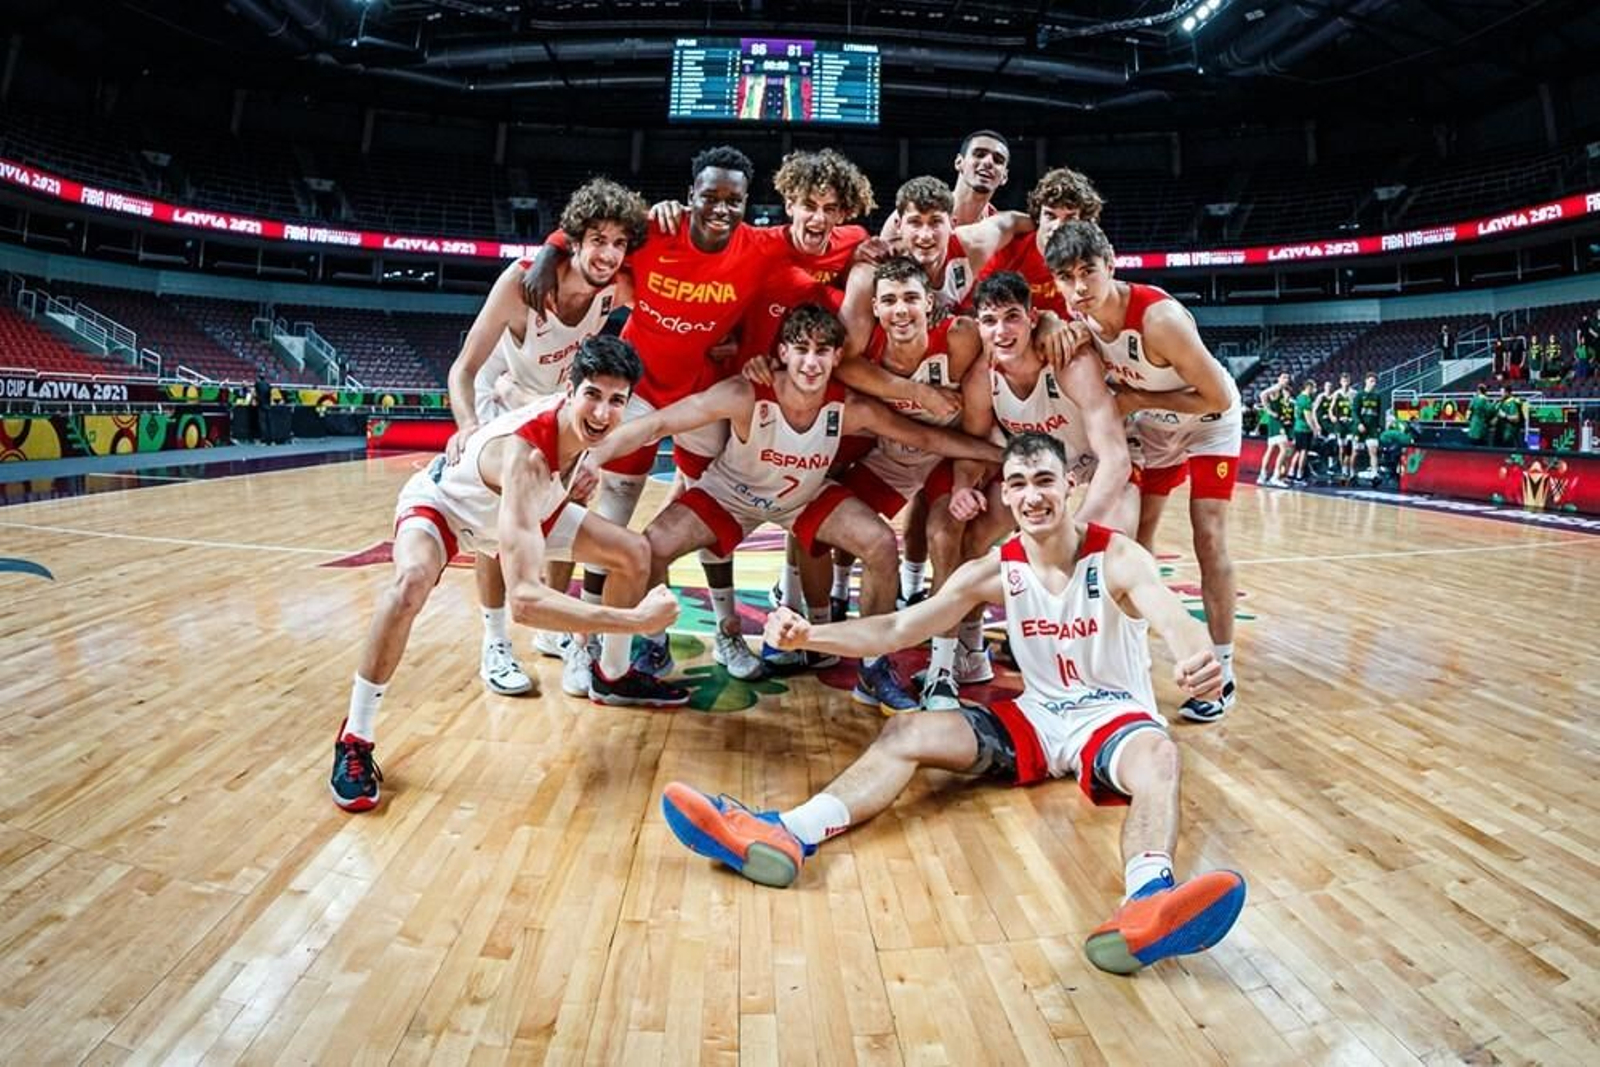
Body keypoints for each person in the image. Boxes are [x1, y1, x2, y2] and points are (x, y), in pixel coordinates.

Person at [660, 433, 1246, 977]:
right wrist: (811, 636)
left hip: (1114, 718)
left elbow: (1173, 618)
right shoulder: (992, 569)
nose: (1032, 496)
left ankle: (1148, 898)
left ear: (1070, 485)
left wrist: (1197, 658)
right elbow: (897, 628)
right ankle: (788, 832)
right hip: (1037, 720)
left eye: (1045, 481)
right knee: (906, 732)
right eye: (1018, 484)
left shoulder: (1117, 557)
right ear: (1005, 494)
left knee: (1160, 757)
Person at [578, 304, 1001, 712]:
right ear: (783, 352)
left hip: (801, 499)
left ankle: (874, 668)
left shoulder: (849, 407)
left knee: (879, 544)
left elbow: (927, 438)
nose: (811, 363)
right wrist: (592, 458)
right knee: (648, 549)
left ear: (837, 357)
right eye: (801, 349)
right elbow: (657, 424)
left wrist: (1001, 455)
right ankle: (653, 645)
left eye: (822, 351)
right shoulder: (745, 394)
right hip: (731, 496)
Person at [331, 337, 688, 813]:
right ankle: (355, 736)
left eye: (616, 400)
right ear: (570, 391)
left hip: (522, 510)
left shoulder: (581, 429)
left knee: (634, 553)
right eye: (593, 395)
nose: (603, 413)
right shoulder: (527, 460)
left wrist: (510, 395)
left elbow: (524, 399)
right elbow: (525, 601)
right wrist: (635, 621)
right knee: (410, 584)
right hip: (449, 507)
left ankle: (612, 675)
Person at [442, 178, 648, 697]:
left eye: (618, 243)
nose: (608, 254)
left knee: (569, 506)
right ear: (573, 240)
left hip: (558, 402)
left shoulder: (616, 287)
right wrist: (467, 425)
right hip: (499, 395)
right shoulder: (521, 284)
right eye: (596, 240)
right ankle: (494, 641)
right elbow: (463, 368)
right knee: (496, 525)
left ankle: (557, 629)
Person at [1042, 220, 1242, 723]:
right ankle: (1131, 656)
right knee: (1135, 540)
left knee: (1208, 536)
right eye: (1067, 277)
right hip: (1152, 425)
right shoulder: (1079, 319)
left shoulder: (1159, 319)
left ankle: (1221, 670)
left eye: (1088, 272)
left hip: (1208, 423)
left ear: (1111, 265)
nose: (1079, 287)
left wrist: (1136, 399)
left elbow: (1217, 396)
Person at [921, 270, 1136, 709]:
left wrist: (1074, 531)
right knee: (974, 535)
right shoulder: (983, 378)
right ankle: (970, 649)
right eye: (989, 321)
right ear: (978, 326)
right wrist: (962, 487)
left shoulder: (1069, 362)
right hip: (1037, 472)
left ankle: (1111, 672)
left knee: (1108, 557)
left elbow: (1116, 460)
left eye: (1012, 317)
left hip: (1100, 466)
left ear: (1032, 318)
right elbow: (973, 448)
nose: (1001, 331)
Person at [977, 167, 1106, 315]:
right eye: (1050, 216)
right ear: (1038, 216)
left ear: (1083, 223)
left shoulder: (1092, 256)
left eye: (1070, 218)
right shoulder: (1006, 250)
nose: (1057, 227)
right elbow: (979, 306)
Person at [1256, 371, 1294, 487]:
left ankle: (1262, 476)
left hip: (1275, 422)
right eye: (1284, 377)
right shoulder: (1276, 388)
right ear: (1279, 379)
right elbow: (1262, 394)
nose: (1286, 379)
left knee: (1270, 449)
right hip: (1276, 422)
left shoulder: (1283, 390)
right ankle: (1275, 477)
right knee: (1284, 449)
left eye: (1287, 378)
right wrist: (1269, 411)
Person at [1353, 372, 1385, 478]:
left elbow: (1380, 412)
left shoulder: (1377, 396)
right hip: (1361, 427)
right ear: (1366, 381)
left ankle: (1374, 473)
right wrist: (1359, 423)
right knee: (1356, 451)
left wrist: (1380, 425)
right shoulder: (1359, 395)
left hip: (1372, 428)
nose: (1373, 384)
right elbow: (1354, 412)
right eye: (1371, 381)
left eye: (1375, 382)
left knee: (1373, 451)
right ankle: (1351, 473)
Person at [1288, 380, 1316, 483]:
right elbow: (1308, 417)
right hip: (1304, 429)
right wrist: (1314, 429)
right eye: (1313, 387)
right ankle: (1299, 474)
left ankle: (1291, 472)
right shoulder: (1306, 399)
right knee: (1304, 451)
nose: (1315, 390)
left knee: (1298, 451)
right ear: (1308, 387)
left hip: (1297, 427)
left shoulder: (1299, 397)